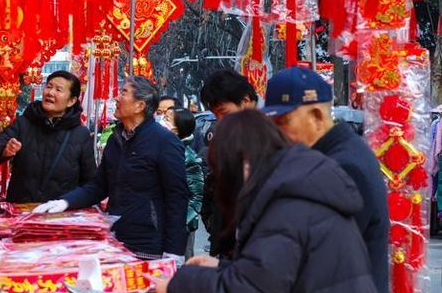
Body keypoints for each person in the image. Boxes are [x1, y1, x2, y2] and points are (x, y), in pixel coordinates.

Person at [154, 110, 376, 293]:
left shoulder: (286, 201)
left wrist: (180, 283)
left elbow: (252, 287)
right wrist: (222, 268)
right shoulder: (292, 182)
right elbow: (271, 272)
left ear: (242, 161)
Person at [263, 67, 390, 293]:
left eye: (283, 122)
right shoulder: (334, 154)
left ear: (317, 117)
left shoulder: (343, 167)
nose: (277, 134)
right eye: (272, 125)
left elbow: (312, 255)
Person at [34, 76, 189, 261]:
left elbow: (177, 197)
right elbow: (99, 186)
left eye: (124, 93)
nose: (117, 98)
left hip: (149, 244)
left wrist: (174, 250)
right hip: (116, 239)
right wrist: (65, 202)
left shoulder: (164, 141)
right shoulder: (117, 139)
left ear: (139, 106)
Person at [0, 71, 96, 203]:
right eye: (49, 86)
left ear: (71, 101)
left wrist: (67, 202)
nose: (50, 92)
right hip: (22, 210)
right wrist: (3, 151)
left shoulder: (80, 135)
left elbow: (90, 184)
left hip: (60, 213)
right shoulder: (23, 124)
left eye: (58, 89)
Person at [198, 69, 259, 258]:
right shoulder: (224, 140)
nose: (221, 121)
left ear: (246, 101)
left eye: (224, 113)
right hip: (227, 250)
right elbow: (211, 194)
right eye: (216, 115)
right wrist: (216, 229)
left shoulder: (272, 141)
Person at [168, 108, 204, 260]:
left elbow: (196, 196)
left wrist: (181, 221)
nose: (161, 121)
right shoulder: (165, 148)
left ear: (177, 128)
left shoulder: (189, 157)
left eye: (167, 118)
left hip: (182, 225)